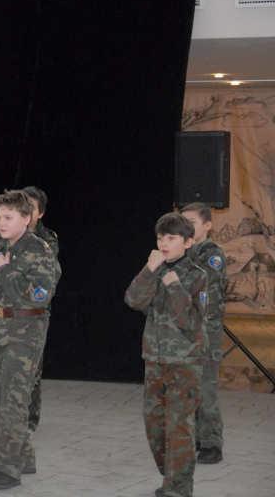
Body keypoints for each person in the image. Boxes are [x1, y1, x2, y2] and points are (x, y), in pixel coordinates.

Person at [0, 189, 61, 490]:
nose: (1, 222)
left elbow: (39, 296)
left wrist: (5, 270)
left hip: (26, 331)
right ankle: (24, 456)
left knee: (14, 400)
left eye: (8, 217)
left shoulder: (41, 251)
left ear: (26, 218)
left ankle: (8, 469)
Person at [125, 213, 208, 497]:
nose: (164, 243)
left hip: (185, 362)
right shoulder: (155, 269)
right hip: (155, 360)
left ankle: (178, 488)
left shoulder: (197, 275)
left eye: (171, 238)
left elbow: (191, 322)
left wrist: (174, 286)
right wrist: (149, 269)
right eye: (161, 237)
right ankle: (172, 478)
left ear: (187, 242)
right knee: (155, 428)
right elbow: (133, 300)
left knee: (179, 427)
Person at [181, 203, 228, 465]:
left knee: (206, 386)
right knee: (189, 385)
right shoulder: (183, 250)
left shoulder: (213, 254)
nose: (186, 227)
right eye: (182, 222)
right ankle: (197, 437)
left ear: (207, 225)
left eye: (191, 222)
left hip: (207, 329)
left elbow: (201, 283)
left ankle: (212, 444)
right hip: (185, 327)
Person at [20, 185, 59, 473]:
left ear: (40, 213)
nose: (25, 211)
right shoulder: (2, 233)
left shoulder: (48, 239)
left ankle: (30, 420)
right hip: (7, 314)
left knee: (32, 370)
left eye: (30, 207)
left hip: (34, 312)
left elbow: (42, 275)